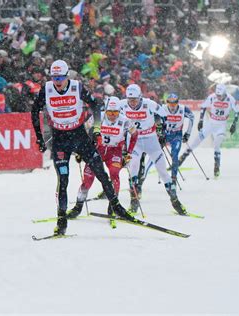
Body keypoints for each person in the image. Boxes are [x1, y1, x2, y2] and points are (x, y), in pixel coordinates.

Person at [31, 60, 134, 236]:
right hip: (60, 139)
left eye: (61, 77)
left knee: (100, 172)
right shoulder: (46, 89)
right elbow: (34, 111)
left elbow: (96, 105)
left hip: (79, 136)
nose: (57, 81)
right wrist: (39, 138)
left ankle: (117, 207)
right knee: (63, 180)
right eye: (54, 77)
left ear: (66, 75)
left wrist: (96, 129)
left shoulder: (76, 87)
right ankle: (61, 220)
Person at [68, 96, 138, 224]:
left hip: (114, 152)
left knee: (114, 174)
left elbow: (134, 135)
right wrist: (80, 150)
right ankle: (77, 207)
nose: (112, 115)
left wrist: (129, 152)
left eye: (115, 112)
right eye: (109, 112)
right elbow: (83, 130)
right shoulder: (98, 117)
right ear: (105, 110)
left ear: (119, 111)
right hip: (97, 151)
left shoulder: (126, 121)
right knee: (87, 181)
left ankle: (113, 206)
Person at [119, 84, 187, 216]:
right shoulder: (122, 104)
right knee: (133, 167)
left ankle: (175, 201)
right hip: (135, 141)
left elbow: (164, 115)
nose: (132, 103)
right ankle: (133, 203)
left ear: (140, 97)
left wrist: (162, 131)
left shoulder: (149, 104)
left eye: (135, 100)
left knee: (162, 171)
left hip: (151, 140)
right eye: (130, 100)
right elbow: (107, 113)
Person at [179, 84, 239, 177]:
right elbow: (203, 107)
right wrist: (201, 120)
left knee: (217, 144)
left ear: (224, 93)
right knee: (195, 142)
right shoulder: (212, 97)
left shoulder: (230, 99)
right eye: (217, 95)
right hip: (210, 123)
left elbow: (237, 111)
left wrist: (234, 124)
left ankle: (216, 167)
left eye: (220, 95)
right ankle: (180, 161)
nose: (218, 97)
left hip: (221, 125)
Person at [159, 93, 194, 183]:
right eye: (170, 103)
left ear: (177, 103)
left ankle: (174, 178)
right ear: (167, 103)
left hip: (177, 134)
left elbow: (192, 117)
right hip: (165, 134)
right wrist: (159, 132)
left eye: (174, 103)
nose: (172, 106)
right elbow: (155, 118)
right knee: (157, 154)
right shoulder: (163, 108)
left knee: (174, 155)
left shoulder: (183, 109)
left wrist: (188, 133)